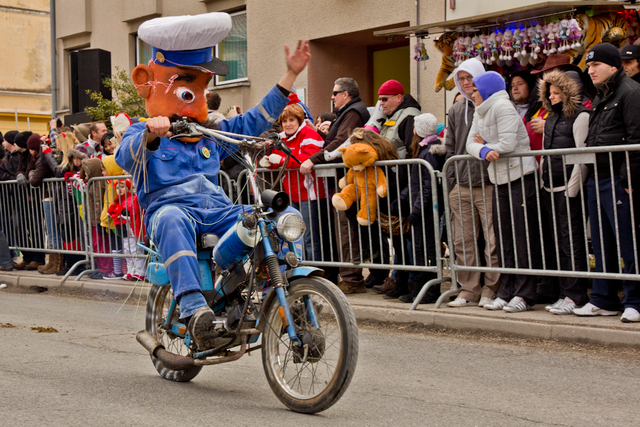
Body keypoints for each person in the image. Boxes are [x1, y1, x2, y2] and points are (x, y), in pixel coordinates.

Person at [114, 12, 311, 350]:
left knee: (272, 215)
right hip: (172, 210)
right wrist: (151, 133)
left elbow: (252, 122)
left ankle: (289, 291)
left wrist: (290, 75)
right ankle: (194, 312)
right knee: (172, 219)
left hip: (217, 210)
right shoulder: (142, 130)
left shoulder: (208, 134)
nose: (197, 100)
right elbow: (126, 154)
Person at [573, 43, 640, 323]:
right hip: (598, 179)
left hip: (618, 180)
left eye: (595, 65)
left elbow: (636, 138)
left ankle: (634, 301)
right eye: (588, 66)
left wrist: (629, 181)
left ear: (613, 65)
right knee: (601, 244)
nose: (590, 70)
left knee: (629, 243)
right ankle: (603, 299)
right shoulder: (602, 95)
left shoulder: (631, 93)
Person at [466, 71, 540, 313]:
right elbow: (470, 144)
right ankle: (506, 290)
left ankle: (525, 294)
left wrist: (484, 146)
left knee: (522, 239)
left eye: (475, 89)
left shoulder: (503, 107)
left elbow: (508, 145)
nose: (471, 92)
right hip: (499, 179)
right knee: (503, 238)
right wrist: (483, 150)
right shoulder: (481, 110)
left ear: (485, 90)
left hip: (520, 178)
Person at [300, 77, 370, 292]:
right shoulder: (348, 112)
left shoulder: (353, 112)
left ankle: (352, 279)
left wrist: (315, 158)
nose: (332, 97)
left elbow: (341, 142)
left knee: (345, 227)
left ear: (346, 95)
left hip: (348, 178)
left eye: (335, 93)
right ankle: (350, 276)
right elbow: (336, 139)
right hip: (342, 178)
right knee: (342, 227)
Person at [444, 58, 500, 308]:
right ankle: (469, 289)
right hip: (462, 185)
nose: (466, 83)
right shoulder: (456, 110)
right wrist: (451, 183)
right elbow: (449, 148)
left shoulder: (495, 104)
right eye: (462, 79)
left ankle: (492, 288)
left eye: (470, 78)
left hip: (489, 182)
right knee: (462, 241)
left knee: (493, 241)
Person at [537, 69, 590, 314]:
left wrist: (572, 189)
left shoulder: (580, 116)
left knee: (572, 242)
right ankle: (563, 292)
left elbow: (581, 156)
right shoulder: (550, 118)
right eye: (551, 93)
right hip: (549, 187)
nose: (554, 96)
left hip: (567, 188)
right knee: (557, 243)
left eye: (558, 92)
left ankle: (575, 294)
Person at [259, 103, 326, 261]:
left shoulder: (309, 134)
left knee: (310, 237)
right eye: (284, 121)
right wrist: (269, 162)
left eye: (291, 120)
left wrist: (280, 160)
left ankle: (314, 270)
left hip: (311, 194)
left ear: (299, 120)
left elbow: (306, 159)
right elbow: (279, 159)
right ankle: (300, 267)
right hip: (292, 194)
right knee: (294, 236)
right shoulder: (283, 138)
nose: (287, 124)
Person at [396, 113, 446, 304]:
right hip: (422, 208)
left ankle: (427, 291)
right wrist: (403, 197)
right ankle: (421, 289)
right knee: (421, 250)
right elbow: (416, 181)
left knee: (425, 251)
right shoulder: (424, 151)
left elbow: (428, 186)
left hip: (426, 211)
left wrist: (416, 209)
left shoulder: (429, 153)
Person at [107, 179, 146, 281]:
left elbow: (133, 214)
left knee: (135, 250)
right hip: (123, 229)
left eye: (122, 187)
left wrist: (121, 213)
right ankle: (130, 271)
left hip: (132, 229)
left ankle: (140, 272)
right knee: (127, 251)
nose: (119, 190)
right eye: (117, 188)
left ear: (128, 188)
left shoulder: (133, 199)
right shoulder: (119, 200)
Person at [377, 80, 421, 159]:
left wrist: (402, 170)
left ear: (398, 98)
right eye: (379, 99)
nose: (381, 103)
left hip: (401, 169)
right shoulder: (391, 114)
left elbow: (413, 151)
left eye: (384, 99)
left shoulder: (409, 117)